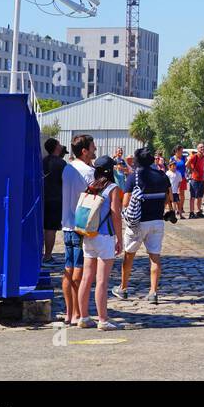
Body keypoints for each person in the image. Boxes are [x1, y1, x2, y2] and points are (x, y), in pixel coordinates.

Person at [117, 148, 171, 304]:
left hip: (138, 222)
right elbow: (168, 199)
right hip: (157, 221)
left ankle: (123, 288)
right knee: (155, 257)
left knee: (129, 255)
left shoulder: (133, 176)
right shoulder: (162, 176)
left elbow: (126, 202)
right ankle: (153, 292)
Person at [75, 155, 123, 329]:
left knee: (87, 277)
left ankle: (84, 317)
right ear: (110, 170)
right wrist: (119, 238)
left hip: (89, 235)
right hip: (105, 237)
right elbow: (116, 215)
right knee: (102, 280)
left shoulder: (91, 187)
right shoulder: (113, 188)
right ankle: (103, 319)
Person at [57, 134, 98, 326]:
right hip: (82, 225)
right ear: (84, 150)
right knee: (79, 271)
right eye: (92, 147)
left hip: (67, 224)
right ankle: (78, 313)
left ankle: (68, 312)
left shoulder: (67, 168)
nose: (95, 149)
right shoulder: (89, 172)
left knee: (68, 268)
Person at [40, 137, 66, 264]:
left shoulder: (43, 161)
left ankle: (38, 253)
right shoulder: (61, 163)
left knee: (41, 227)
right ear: (56, 147)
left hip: (42, 198)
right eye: (59, 144)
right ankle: (48, 255)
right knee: (50, 229)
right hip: (55, 198)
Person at [187, 143, 204, 218]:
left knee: (199, 196)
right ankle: (191, 212)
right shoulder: (194, 156)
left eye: (203, 147)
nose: (202, 148)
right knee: (193, 197)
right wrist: (193, 170)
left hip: (201, 179)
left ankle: (198, 211)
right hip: (194, 179)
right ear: (197, 149)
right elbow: (187, 164)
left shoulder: (203, 157)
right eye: (201, 147)